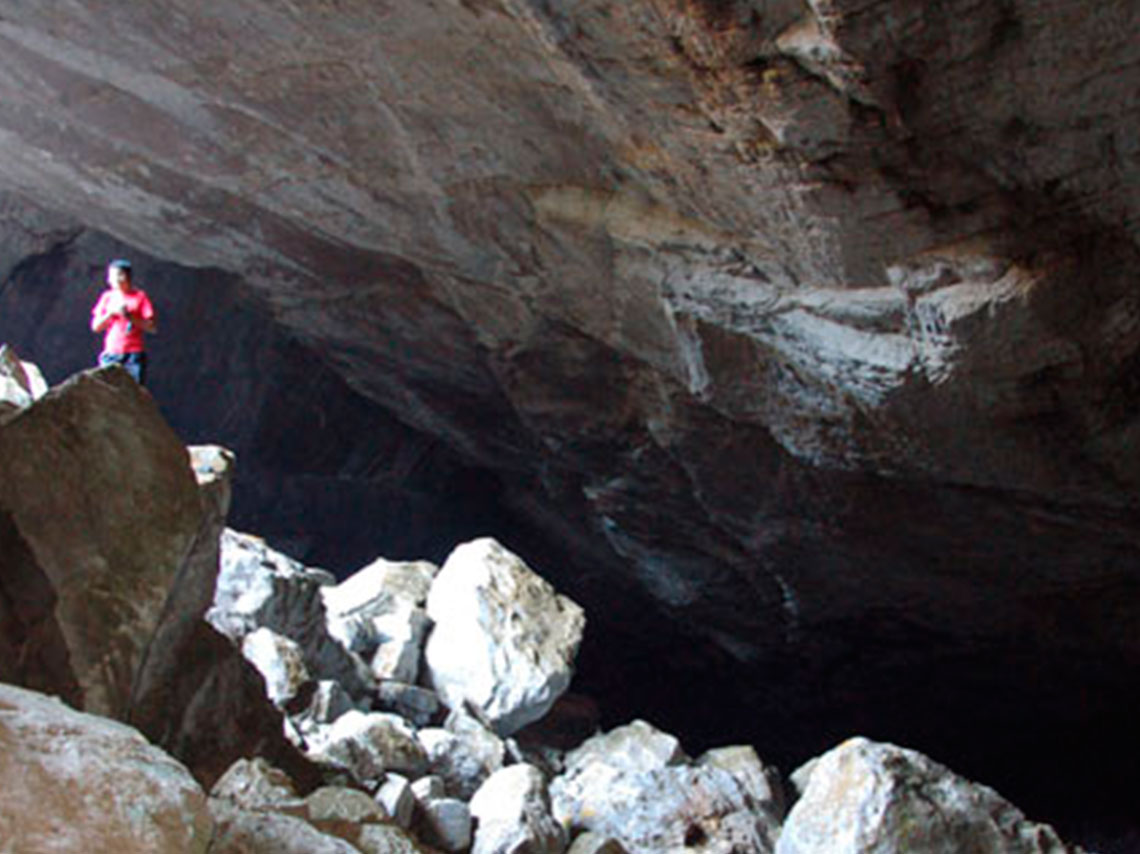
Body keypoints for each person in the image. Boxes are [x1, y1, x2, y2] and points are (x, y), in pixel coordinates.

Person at [90, 259, 157, 385]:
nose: (109, 280)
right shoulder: (107, 298)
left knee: (135, 391)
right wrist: (111, 313)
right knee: (107, 390)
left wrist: (129, 316)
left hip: (133, 355)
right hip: (111, 353)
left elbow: (151, 327)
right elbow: (96, 327)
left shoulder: (140, 297)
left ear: (124, 276)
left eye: (113, 276)